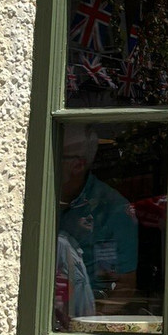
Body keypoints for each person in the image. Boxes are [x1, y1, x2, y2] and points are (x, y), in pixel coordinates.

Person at [58, 124, 138, 312]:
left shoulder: (113, 209)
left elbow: (124, 286)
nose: (45, 162)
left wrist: (90, 320)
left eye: (56, 157)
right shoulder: (35, 196)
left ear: (78, 165)